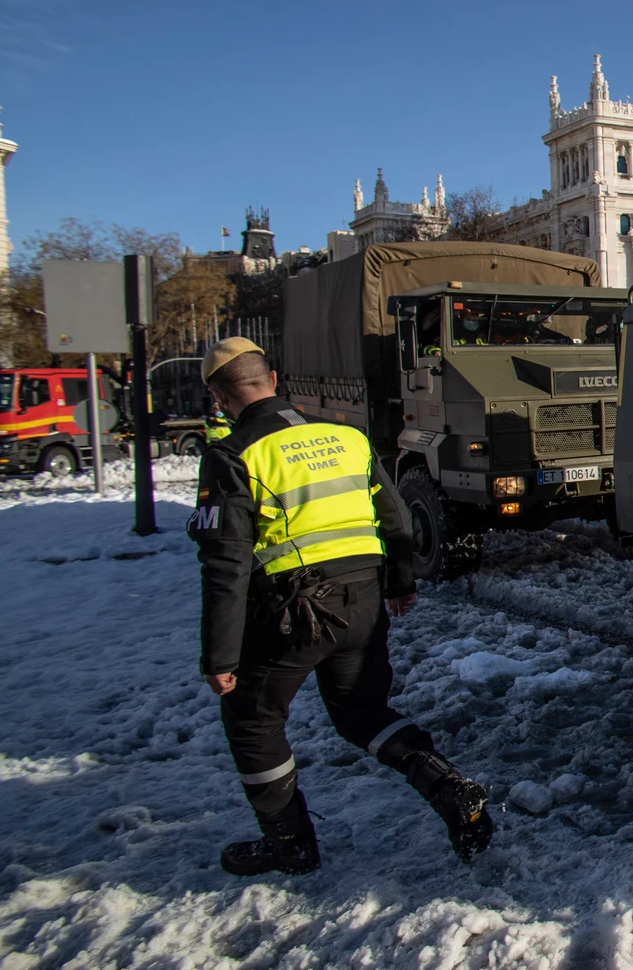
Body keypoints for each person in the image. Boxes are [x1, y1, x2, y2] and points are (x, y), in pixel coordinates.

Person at [189, 338, 493, 876]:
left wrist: (220, 656)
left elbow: (227, 564)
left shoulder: (232, 455)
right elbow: (395, 517)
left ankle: (289, 843)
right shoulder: (346, 438)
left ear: (218, 397)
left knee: (254, 723)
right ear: (275, 380)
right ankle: (449, 788)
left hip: (293, 611)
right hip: (365, 601)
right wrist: (401, 584)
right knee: (362, 713)